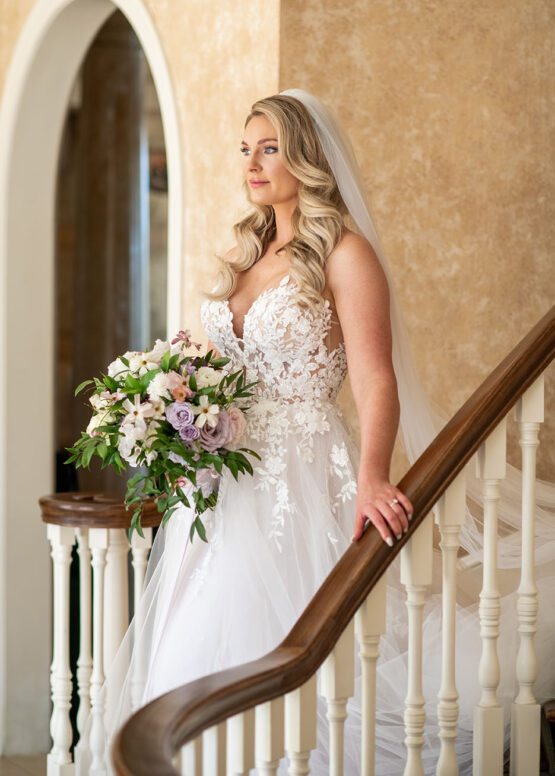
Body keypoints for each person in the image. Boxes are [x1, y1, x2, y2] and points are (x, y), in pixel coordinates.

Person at [75, 90, 555, 775]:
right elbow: (220, 369)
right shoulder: (246, 252)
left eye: (269, 148)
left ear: (306, 157)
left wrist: (371, 474)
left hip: (298, 477)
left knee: (297, 651)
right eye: (247, 149)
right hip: (222, 484)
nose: (254, 163)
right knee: (194, 638)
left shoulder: (345, 254)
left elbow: (374, 380)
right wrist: (173, 407)